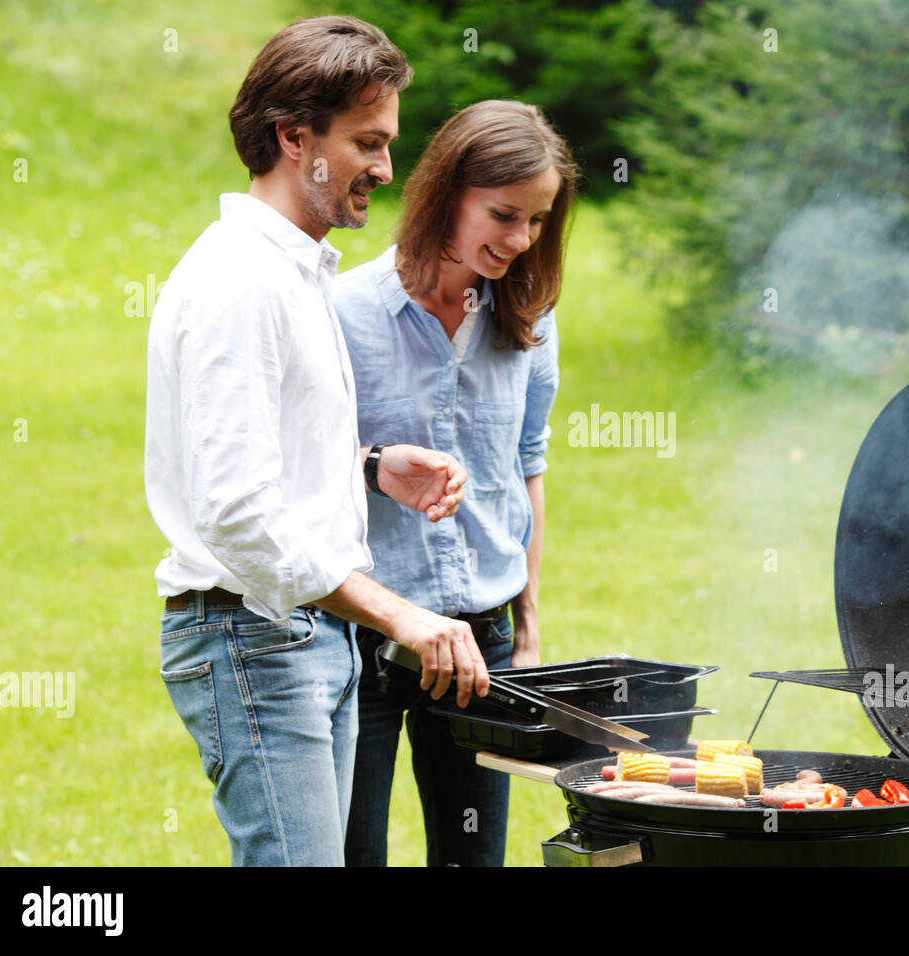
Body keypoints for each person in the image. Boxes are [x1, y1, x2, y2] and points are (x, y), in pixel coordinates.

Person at [144, 16, 490, 867]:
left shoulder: (296, 272)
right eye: (368, 142)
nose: (385, 168)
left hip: (301, 636)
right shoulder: (241, 283)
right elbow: (236, 513)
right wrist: (401, 614)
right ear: (295, 138)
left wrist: (371, 468)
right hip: (251, 636)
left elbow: (273, 458)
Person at [334, 100, 577, 866]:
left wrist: (528, 625)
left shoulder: (529, 321)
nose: (519, 240)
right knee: (352, 855)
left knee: (474, 860)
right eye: (504, 214)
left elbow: (526, 467)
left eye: (537, 222)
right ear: (448, 190)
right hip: (364, 634)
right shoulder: (342, 313)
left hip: (483, 644)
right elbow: (305, 470)